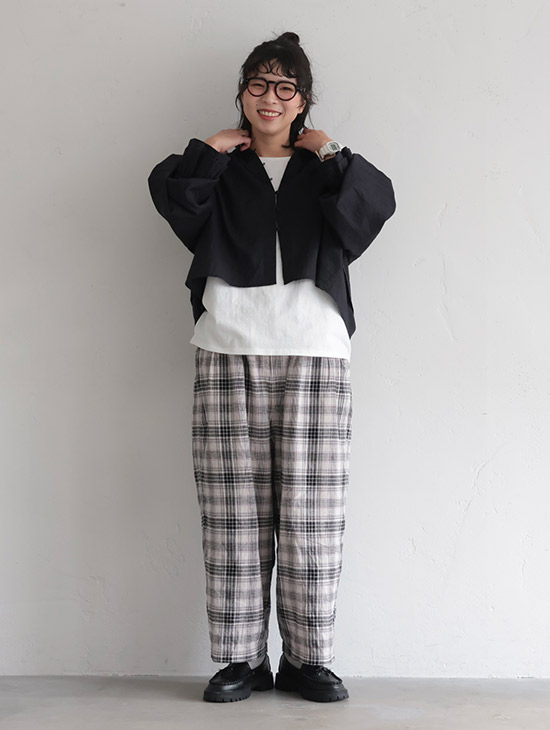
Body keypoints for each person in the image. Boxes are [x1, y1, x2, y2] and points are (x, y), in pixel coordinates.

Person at [148, 31, 396, 704]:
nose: (271, 97)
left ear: (303, 100)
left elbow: (373, 206)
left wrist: (330, 149)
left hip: (315, 349)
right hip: (229, 345)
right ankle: (242, 659)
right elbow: (173, 196)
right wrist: (211, 148)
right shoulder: (219, 170)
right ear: (243, 93)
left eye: (286, 86)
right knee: (233, 514)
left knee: (313, 514)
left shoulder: (324, 170)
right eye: (259, 83)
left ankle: (308, 660)